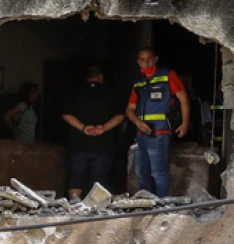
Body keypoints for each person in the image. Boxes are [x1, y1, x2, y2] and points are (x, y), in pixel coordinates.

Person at [125, 47, 190, 197]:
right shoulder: (139, 83)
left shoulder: (168, 75)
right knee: (142, 173)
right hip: (141, 134)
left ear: (155, 59)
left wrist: (185, 123)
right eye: (142, 59)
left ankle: (162, 206)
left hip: (160, 132)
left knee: (158, 172)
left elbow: (184, 100)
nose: (146, 62)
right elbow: (129, 110)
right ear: (138, 62)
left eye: (149, 58)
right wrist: (138, 123)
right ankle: (147, 204)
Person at [61, 66, 125, 200]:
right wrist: (104, 128)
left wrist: (84, 128)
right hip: (103, 146)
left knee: (75, 180)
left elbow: (66, 115)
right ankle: (96, 214)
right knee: (99, 183)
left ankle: (73, 210)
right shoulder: (111, 92)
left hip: (78, 145)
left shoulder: (75, 92)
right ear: (101, 77)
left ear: (87, 78)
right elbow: (120, 116)